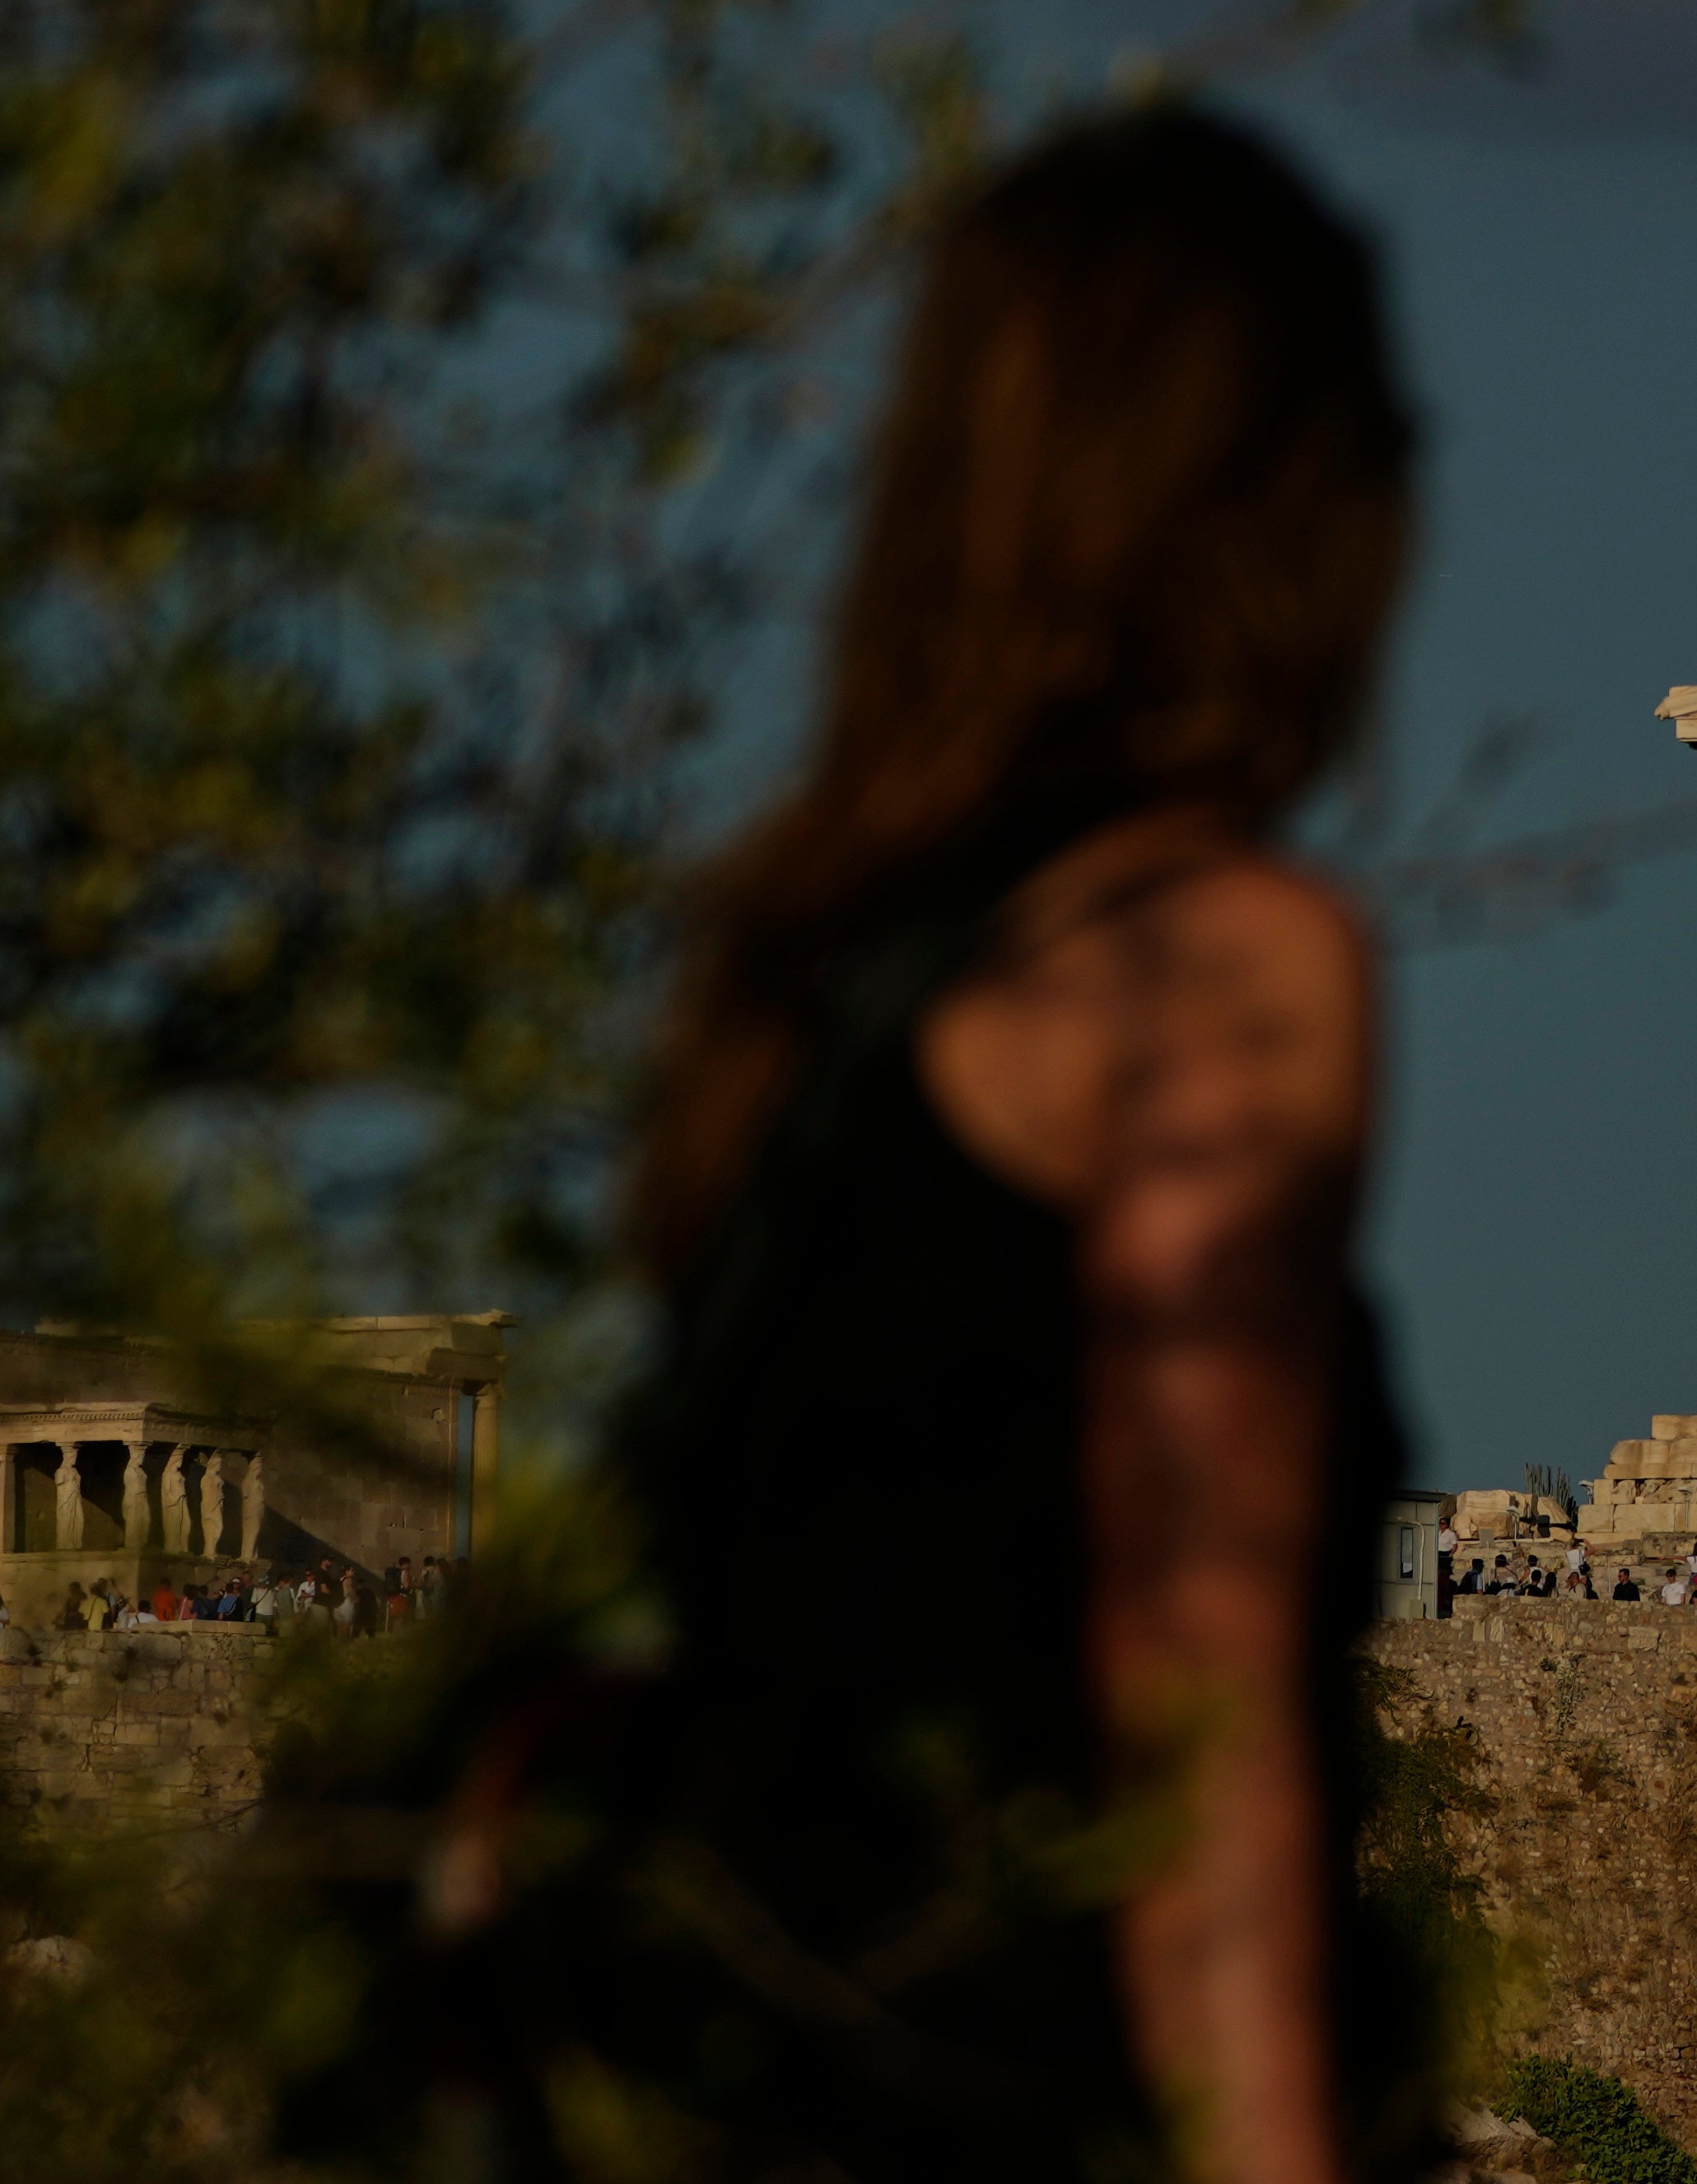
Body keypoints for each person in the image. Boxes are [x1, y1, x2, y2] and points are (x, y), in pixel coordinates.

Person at [613, 105, 1431, 2184]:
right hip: (1013, 2089)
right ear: (1284, 507)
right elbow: (1192, 1694)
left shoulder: (795, 975)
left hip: (742, 2083)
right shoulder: (1211, 969)